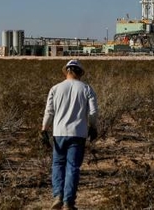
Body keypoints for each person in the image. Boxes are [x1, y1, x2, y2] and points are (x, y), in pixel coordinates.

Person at [42, 59, 99, 210]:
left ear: (66, 71)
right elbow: (93, 112)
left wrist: (44, 129)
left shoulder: (55, 88)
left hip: (59, 132)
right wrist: (93, 127)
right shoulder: (87, 88)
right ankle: (68, 202)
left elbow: (49, 111)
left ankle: (57, 196)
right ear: (80, 72)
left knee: (58, 164)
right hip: (78, 133)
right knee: (73, 167)